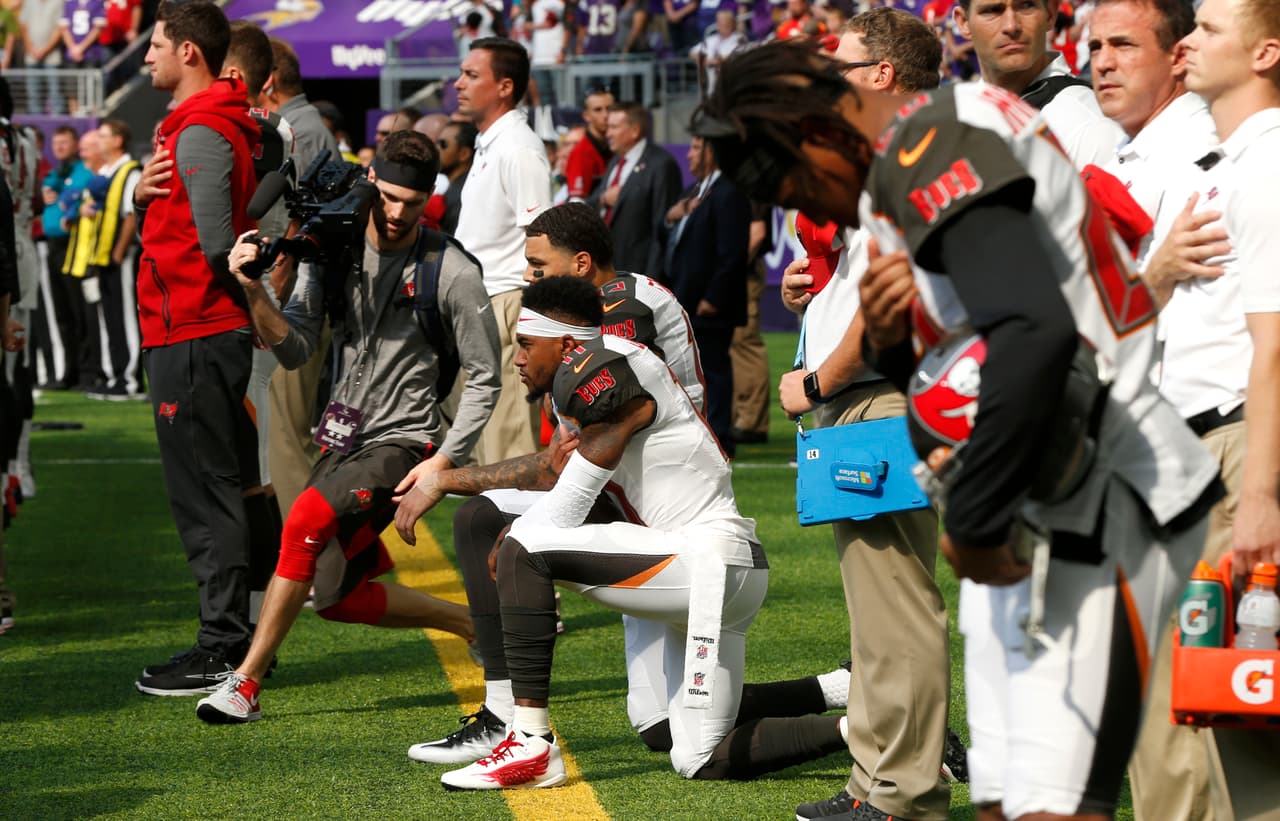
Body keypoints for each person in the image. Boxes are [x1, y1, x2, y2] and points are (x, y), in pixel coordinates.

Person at [698, 38, 1220, 821]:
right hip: (1064, 483)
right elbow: (969, 343)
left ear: (817, 129)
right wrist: (895, 342)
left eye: (798, 183)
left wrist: (975, 521)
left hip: (1104, 489)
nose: (815, 210)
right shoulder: (914, 156)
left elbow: (1034, 330)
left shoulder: (936, 140)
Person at [399, 275, 850, 789]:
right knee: (693, 752)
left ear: (566, 346)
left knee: (526, 546)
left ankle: (529, 743)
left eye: (525, 344)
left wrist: (516, 538)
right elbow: (553, 472)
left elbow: (567, 506)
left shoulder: (606, 368)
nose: (518, 359)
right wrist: (447, 482)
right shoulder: (604, 366)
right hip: (709, 567)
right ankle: (865, 724)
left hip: (706, 560)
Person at [195, 130, 503, 723]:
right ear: (371, 183)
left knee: (304, 519)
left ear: (429, 198)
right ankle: (472, 624)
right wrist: (252, 288)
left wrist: (443, 462)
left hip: (405, 440)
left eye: (412, 203)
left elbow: (487, 378)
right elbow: (294, 347)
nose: (397, 213)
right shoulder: (332, 249)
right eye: (387, 198)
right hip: (342, 438)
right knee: (336, 597)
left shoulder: (453, 270)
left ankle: (245, 682)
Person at [775, 11, 956, 821]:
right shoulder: (898, 153)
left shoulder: (911, 153)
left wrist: (817, 382)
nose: (829, 77)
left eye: (841, 64)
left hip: (876, 394)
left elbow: (895, 308)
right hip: (868, 394)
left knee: (898, 607)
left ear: (882, 73)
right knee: (876, 610)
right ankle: (875, 782)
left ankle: (904, 794)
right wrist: (813, 295)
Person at [1080, 1, 1221, 815]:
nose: (1102, 60)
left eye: (1124, 45)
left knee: (1186, 707)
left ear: (1177, 57)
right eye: (1095, 45)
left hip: (1188, 447)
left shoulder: (1202, 158)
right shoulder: (1133, 156)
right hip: (1137, 453)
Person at [131, 0, 262, 697]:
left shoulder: (203, 128)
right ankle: (237, 637)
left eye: (156, 44)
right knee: (217, 486)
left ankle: (222, 646)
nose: (146, 56)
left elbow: (214, 245)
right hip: (194, 328)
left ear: (188, 52)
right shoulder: (201, 124)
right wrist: (139, 199)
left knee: (204, 493)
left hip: (195, 330)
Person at [1172, 0, 1280, 816]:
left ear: (1266, 52)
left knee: (1253, 717)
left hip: (1245, 445)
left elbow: (1275, 345)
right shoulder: (1230, 161)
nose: (1188, 41)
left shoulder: (1268, 165)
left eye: (1210, 28)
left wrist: (1261, 496)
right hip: (1213, 447)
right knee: (1229, 710)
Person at [454, 37, 553, 465]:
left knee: (509, 454)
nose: (458, 83)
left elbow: (543, 240)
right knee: (486, 453)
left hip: (507, 303)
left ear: (505, 87)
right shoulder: (494, 143)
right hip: (484, 303)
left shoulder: (518, 148)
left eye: (471, 75)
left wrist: (532, 322)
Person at [262, 36, 340, 521]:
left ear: (267, 80)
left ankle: (305, 546)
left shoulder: (297, 129)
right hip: (304, 290)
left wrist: (276, 286)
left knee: (285, 431)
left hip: (299, 296)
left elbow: (301, 221)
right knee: (283, 428)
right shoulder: (305, 124)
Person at [953, 0, 1124, 168]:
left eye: (1026, 6)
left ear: (1050, 13)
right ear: (964, 22)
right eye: (992, 10)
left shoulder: (1088, 128)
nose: (1011, 26)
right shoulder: (958, 115)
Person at [662, 135, 750, 457]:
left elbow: (732, 252)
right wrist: (671, 216)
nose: (689, 155)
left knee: (713, 369)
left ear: (712, 151)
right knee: (693, 370)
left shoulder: (728, 192)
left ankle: (720, 436)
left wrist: (714, 296)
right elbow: (671, 234)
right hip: (686, 296)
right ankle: (701, 431)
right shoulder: (696, 190)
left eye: (697, 148)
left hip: (709, 303)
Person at [588, 101, 681, 279]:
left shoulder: (661, 165)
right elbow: (593, 201)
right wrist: (603, 198)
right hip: (610, 271)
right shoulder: (615, 161)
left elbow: (661, 228)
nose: (608, 133)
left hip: (639, 274)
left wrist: (652, 281)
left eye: (614, 127)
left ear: (635, 130)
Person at [83, 119, 142, 401]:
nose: (98, 141)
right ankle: (112, 375)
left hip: (121, 256)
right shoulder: (104, 172)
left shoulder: (130, 170)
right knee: (108, 317)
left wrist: (119, 251)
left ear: (118, 140)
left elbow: (131, 214)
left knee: (126, 316)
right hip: (102, 255)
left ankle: (129, 379)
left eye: (104, 136)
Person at [39, 126, 84, 388]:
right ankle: (67, 371)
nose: (59, 147)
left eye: (64, 142)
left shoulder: (83, 172)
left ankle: (83, 370)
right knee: (61, 312)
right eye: (56, 143)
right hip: (52, 246)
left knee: (78, 310)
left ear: (76, 144)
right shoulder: (53, 174)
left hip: (74, 245)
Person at [563, 88, 613, 202]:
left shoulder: (616, 147)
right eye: (598, 110)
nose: (605, 115)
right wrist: (604, 199)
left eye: (609, 109)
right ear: (586, 115)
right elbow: (577, 203)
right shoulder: (581, 153)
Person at [437, 120, 476, 236]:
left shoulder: (463, 194)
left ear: (464, 154)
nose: (436, 149)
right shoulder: (457, 189)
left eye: (443, 144)